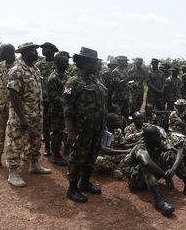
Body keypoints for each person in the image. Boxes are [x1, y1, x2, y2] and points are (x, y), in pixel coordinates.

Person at [120, 126, 186, 216]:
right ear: (147, 138)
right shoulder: (140, 147)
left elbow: (179, 152)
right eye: (157, 136)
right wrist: (165, 176)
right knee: (145, 165)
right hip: (135, 180)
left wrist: (173, 169)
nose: (160, 138)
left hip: (151, 175)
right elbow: (146, 163)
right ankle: (159, 200)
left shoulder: (157, 142)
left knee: (170, 154)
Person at [63, 47, 107, 202]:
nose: (97, 65)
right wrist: (70, 131)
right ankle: (72, 188)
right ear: (85, 63)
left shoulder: (96, 79)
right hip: (82, 129)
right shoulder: (73, 82)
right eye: (94, 62)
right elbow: (68, 109)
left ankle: (85, 182)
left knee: (92, 154)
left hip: (96, 127)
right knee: (77, 157)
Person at [6, 42, 51, 187]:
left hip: (36, 115)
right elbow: (14, 96)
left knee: (35, 140)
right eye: (33, 51)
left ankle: (34, 164)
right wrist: (22, 119)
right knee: (16, 142)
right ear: (25, 53)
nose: (37, 53)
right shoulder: (16, 70)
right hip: (21, 117)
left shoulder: (35, 69)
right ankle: (13, 172)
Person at [47, 52, 71, 166]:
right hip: (57, 110)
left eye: (67, 61)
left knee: (67, 130)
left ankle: (67, 149)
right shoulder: (53, 78)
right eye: (64, 61)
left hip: (67, 109)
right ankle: (56, 154)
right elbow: (53, 96)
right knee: (57, 132)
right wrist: (65, 101)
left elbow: (69, 91)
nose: (67, 63)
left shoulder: (68, 76)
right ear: (57, 63)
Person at [36, 42, 59, 157]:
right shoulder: (39, 65)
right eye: (42, 48)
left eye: (45, 48)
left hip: (57, 101)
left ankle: (57, 148)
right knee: (45, 123)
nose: (43, 50)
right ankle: (47, 147)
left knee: (57, 125)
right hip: (44, 99)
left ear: (53, 50)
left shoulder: (59, 63)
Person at [95, 113, 134, 177]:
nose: (120, 122)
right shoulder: (102, 132)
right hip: (102, 155)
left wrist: (136, 144)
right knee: (98, 160)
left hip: (112, 155)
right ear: (110, 123)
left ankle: (117, 168)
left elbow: (124, 145)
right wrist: (125, 151)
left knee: (130, 155)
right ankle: (116, 169)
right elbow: (104, 150)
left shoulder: (118, 131)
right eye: (118, 121)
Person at [0, 44, 15, 168]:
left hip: (16, 107)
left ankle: (15, 158)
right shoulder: (0, 66)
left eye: (1, 51)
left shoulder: (20, 67)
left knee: (16, 133)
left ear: (9, 52)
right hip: (1, 105)